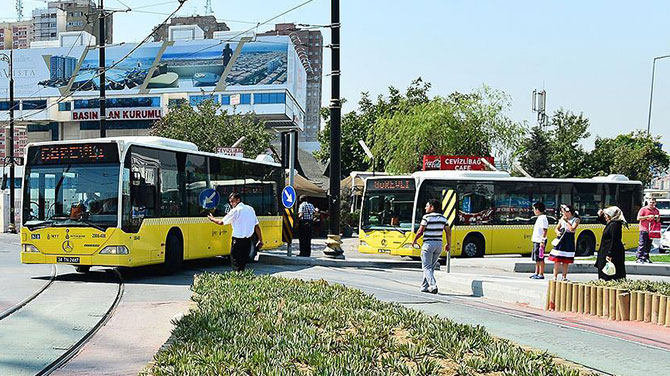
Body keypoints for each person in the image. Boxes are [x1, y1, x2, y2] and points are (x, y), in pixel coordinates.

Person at [208, 192, 263, 271]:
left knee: (236, 263)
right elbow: (256, 226)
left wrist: (212, 219)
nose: (231, 203)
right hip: (248, 241)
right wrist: (260, 240)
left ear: (238, 200)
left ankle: (237, 279)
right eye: (230, 202)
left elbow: (221, 222)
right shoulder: (250, 209)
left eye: (232, 201)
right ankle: (242, 279)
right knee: (243, 264)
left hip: (237, 241)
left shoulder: (235, 211)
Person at [412, 199, 451, 294]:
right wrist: (448, 244)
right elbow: (448, 232)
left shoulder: (426, 217)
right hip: (438, 244)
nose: (425, 208)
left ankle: (433, 285)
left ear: (432, 207)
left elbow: (420, 231)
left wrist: (414, 240)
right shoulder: (443, 218)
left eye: (427, 206)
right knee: (431, 267)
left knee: (426, 267)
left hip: (428, 244)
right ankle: (424, 286)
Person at [548, 204, 580, 281]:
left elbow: (572, 229)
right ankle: (555, 276)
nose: (564, 214)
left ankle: (564, 276)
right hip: (561, 238)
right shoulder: (562, 218)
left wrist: (567, 221)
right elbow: (556, 228)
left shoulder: (576, 220)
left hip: (569, 238)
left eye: (565, 212)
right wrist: (557, 232)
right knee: (557, 259)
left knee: (566, 260)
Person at [595, 206, 627, 280]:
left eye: (606, 215)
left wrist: (610, 253)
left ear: (611, 215)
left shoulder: (615, 225)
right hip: (606, 250)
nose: (605, 216)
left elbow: (614, 240)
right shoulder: (611, 223)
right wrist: (600, 215)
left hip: (612, 252)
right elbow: (603, 221)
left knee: (609, 274)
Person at [636, 198, 660, 264]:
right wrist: (647, 217)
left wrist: (656, 218)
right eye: (650, 202)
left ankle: (646, 257)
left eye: (653, 202)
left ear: (655, 203)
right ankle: (639, 257)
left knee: (649, 244)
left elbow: (658, 220)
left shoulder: (656, 210)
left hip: (652, 229)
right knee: (642, 243)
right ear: (648, 202)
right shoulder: (643, 209)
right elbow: (638, 218)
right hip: (644, 229)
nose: (651, 204)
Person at [530, 202, 548, 280]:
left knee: (540, 257)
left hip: (540, 241)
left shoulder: (543, 218)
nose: (534, 211)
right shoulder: (539, 218)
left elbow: (545, 230)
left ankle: (541, 273)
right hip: (536, 240)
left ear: (537, 210)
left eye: (534, 209)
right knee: (536, 258)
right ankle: (536, 272)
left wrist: (542, 241)